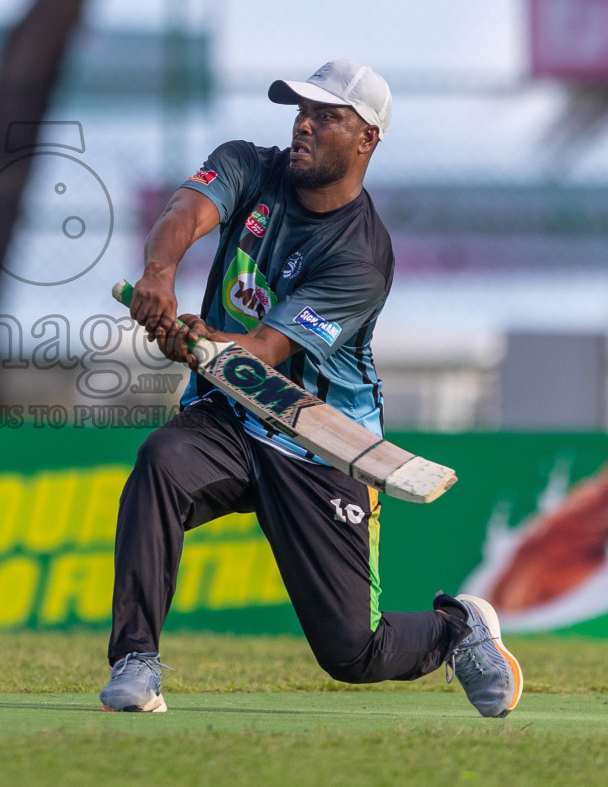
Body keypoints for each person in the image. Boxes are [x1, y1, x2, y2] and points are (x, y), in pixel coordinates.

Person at [99, 59, 522, 717]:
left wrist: (200, 339)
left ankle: (457, 631)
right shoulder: (248, 165)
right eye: (301, 110)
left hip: (319, 443)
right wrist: (159, 270)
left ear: (367, 140)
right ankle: (136, 660)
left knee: (353, 652)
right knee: (161, 463)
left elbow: (266, 351)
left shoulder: (361, 257)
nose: (304, 124)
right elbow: (185, 210)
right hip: (231, 417)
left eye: (327, 116)